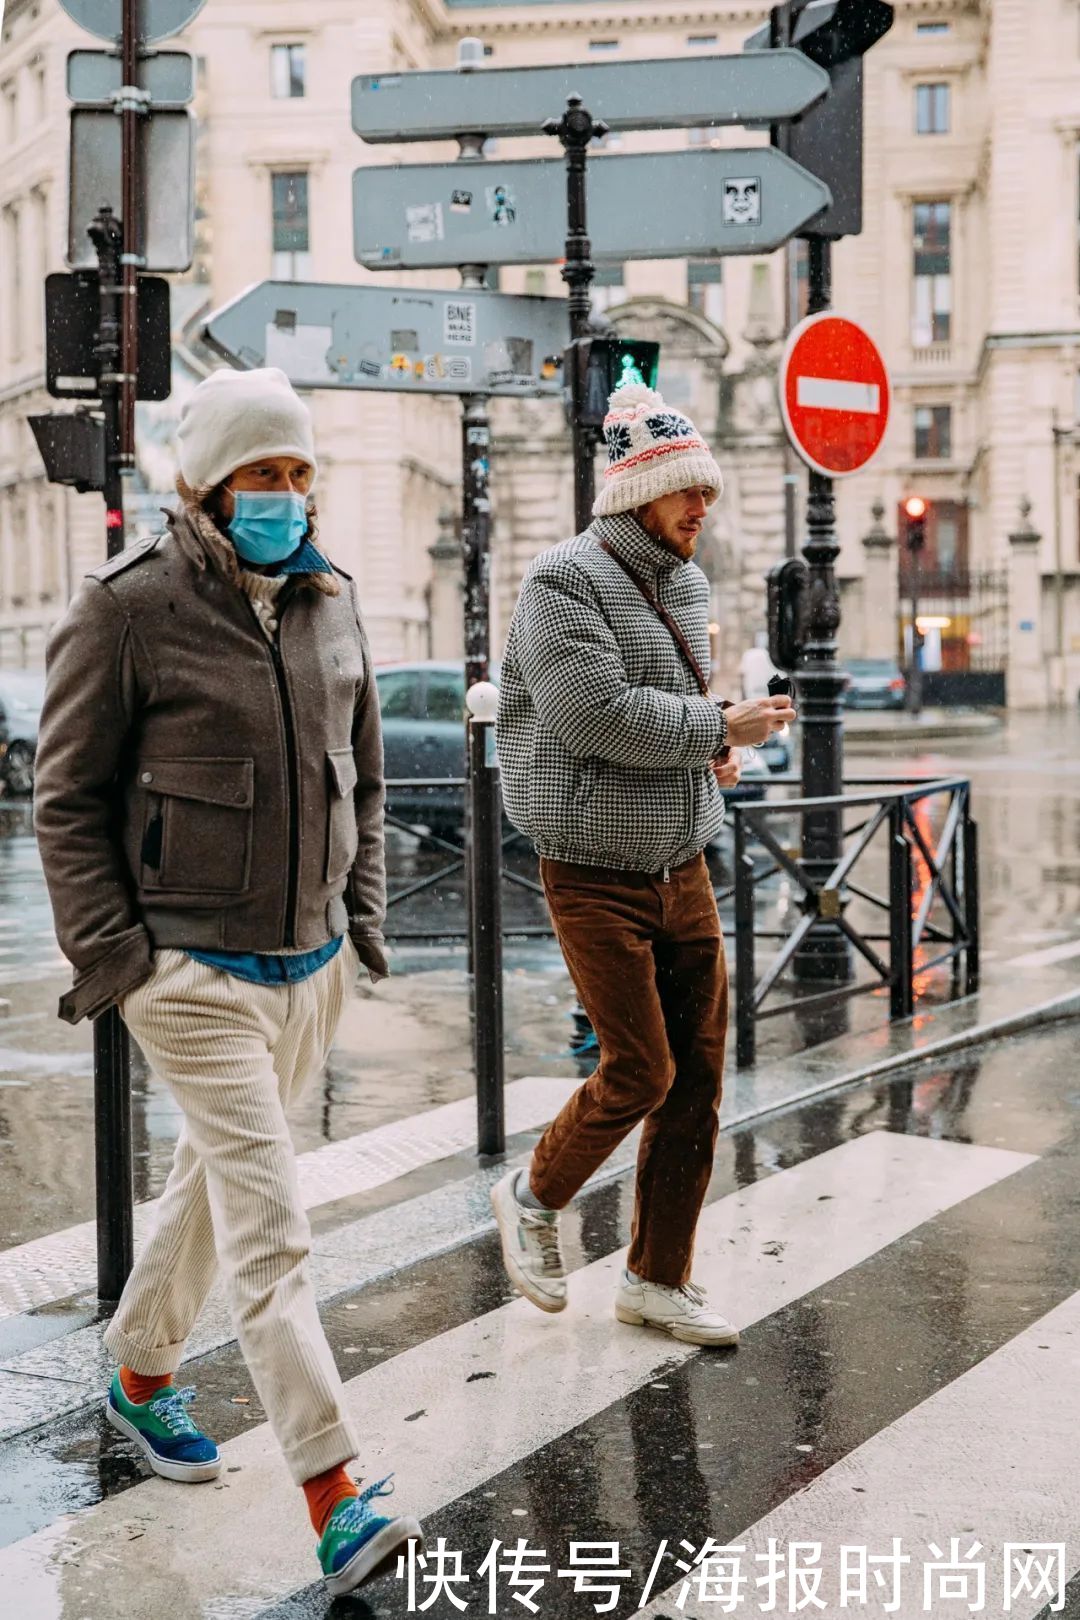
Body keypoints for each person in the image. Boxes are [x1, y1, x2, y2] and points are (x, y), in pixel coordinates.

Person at [33, 367, 422, 1597]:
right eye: (267, 474)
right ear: (208, 486)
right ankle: (334, 1490)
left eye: (302, 473)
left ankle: (140, 1370)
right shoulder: (126, 610)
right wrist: (121, 960)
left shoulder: (330, 599)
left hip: (308, 967)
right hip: (191, 972)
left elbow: (359, 772)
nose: (289, 496)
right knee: (273, 1229)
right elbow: (66, 798)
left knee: (211, 1187)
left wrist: (358, 926)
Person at [493, 382, 795, 1345]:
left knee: (701, 1076)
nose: (700, 508)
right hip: (590, 864)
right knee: (640, 1069)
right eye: (682, 493)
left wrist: (714, 748)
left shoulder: (688, 583)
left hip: (682, 857)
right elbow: (595, 717)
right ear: (634, 495)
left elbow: (665, 704)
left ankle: (657, 1279)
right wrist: (715, 721)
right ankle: (534, 1197)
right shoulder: (560, 581)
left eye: (704, 491)